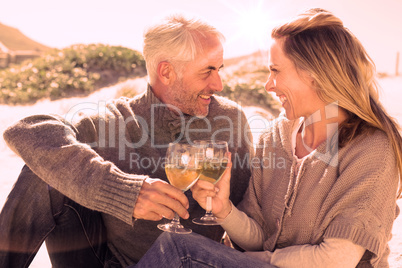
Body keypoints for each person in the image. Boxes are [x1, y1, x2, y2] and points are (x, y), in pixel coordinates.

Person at [135, 8, 402, 268]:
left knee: (177, 249)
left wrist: (254, 261)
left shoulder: (372, 149)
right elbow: (260, 238)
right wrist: (224, 210)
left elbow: (337, 259)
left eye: (275, 70)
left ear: (314, 75)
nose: (268, 85)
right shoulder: (275, 137)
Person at [0, 15, 253, 267]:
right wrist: (123, 192)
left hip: (187, 261)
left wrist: (223, 211)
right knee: (42, 170)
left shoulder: (229, 121)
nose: (218, 84)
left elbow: (249, 229)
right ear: (166, 72)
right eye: (207, 71)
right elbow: (25, 131)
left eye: (219, 69)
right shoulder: (113, 120)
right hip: (103, 261)